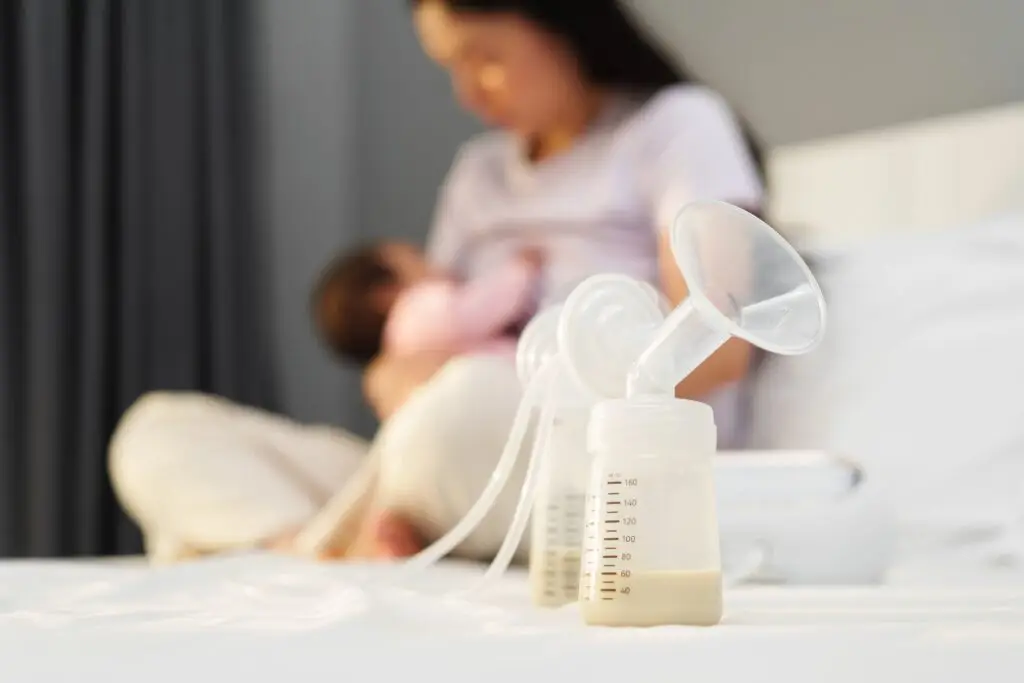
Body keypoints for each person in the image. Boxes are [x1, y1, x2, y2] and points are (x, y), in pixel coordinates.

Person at [108, 0, 764, 564]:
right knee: (156, 430)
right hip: (442, 450)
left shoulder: (677, 127)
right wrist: (398, 377)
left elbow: (719, 344)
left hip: (600, 460)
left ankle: (328, 546)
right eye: (450, 66)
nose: (467, 93)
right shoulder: (478, 174)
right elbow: (414, 351)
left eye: (483, 56)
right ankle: (307, 550)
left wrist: (520, 377)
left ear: (558, 19)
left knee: (465, 404)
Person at [313, 241, 540, 365]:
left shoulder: (404, 356)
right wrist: (520, 271)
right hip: (524, 369)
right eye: (416, 256)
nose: (434, 263)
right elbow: (475, 311)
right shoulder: (413, 318)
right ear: (384, 295)